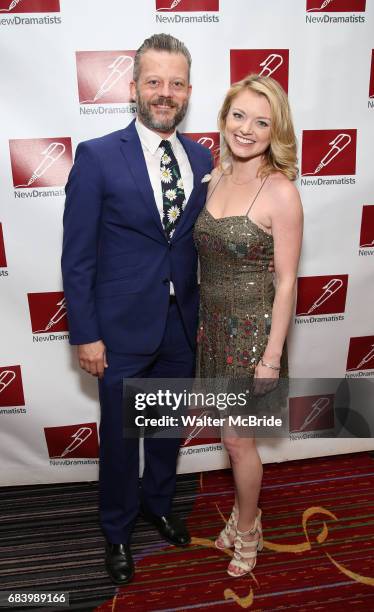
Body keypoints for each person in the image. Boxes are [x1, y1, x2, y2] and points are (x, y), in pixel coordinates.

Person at [61, 33, 213, 585]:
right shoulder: (97, 157)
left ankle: (159, 505)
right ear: (134, 88)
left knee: (168, 431)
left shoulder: (201, 158)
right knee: (123, 442)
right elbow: (76, 257)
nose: (164, 93)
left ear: (189, 91)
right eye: (154, 82)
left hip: (181, 325)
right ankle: (118, 531)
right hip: (119, 331)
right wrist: (86, 333)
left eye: (175, 84)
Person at [194, 74, 303, 577]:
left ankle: (250, 529)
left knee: (239, 440)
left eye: (262, 121)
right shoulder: (214, 178)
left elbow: (286, 283)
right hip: (213, 329)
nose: (247, 128)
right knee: (228, 437)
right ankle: (243, 514)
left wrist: (271, 357)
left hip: (254, 335)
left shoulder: (280, 192)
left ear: (275, 132)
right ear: (224, 119)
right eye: (239, 115)